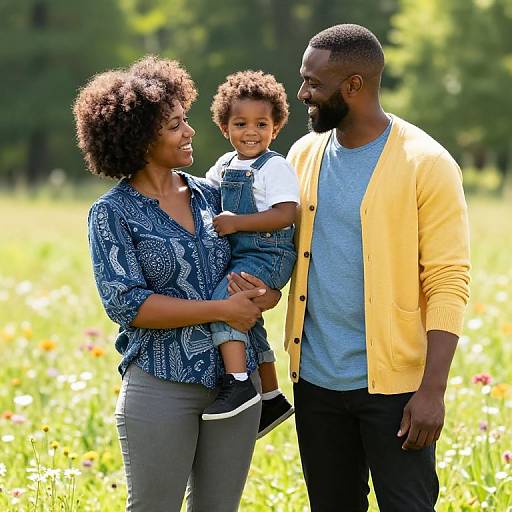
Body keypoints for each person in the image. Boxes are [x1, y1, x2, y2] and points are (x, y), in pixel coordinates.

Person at [73, 56, 281, 512]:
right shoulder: (112, 214)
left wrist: (267, 294)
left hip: (236, 385)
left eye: (185, 121)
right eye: (174, 125)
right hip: (161, 383)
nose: (189, 132)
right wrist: (222, 311)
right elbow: (128, 303)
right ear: (140, 137)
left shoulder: (214, 193)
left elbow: (258, 255)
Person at [284, 24, 471, 511]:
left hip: (397, 391)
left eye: (313, 83)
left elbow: (449, 280)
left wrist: (432, 391)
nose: (301, 93)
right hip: (316, 382)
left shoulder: (426, 163)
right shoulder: (303, 154)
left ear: (354, 86)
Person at [202, 71, 298, 438]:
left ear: (276, 127)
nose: (251, 132)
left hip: (268, 253)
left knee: (225, 300)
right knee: (248, 321)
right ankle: (272, 396)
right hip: (245, 253)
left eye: (262, 123)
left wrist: (236, 222)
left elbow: (285, 214)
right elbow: (204, 191)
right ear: (225, 126)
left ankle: (239, 382)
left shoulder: (274, 167)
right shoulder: (225, 165)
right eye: (240, 123)